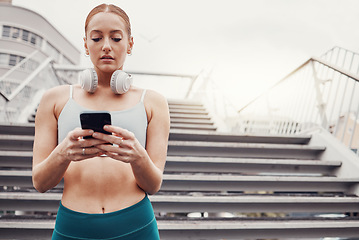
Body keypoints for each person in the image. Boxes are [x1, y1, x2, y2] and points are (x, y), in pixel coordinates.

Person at [32, 3, 170, 240]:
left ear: (130, 44)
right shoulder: (53, 100)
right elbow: (40, 182)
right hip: (73, 227)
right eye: (96, 38)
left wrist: (138, 157)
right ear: (86, 44)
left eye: (116, 38)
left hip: (136, 225)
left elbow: (153, 185)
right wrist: (63, 153)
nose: (106, 46)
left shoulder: (154, 102)